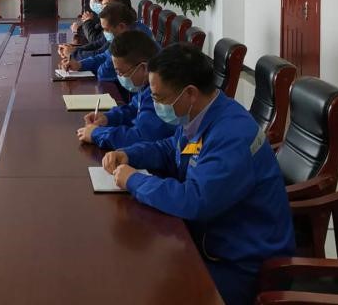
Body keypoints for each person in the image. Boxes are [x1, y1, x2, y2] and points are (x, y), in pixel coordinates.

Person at [101, 44, 295, 305]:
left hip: (243, 266)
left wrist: (134, 180)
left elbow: (195, 199)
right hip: (210, 241)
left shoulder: (231, 134)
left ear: (190, 93)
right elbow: (172, 149)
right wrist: (130, 155)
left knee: (146, 288)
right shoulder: (202, 115)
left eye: (159, 98)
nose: (156, 104)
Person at [75, 30, 173, 149]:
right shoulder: (145, 85)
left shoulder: (161, 92)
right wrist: (107, 118)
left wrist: (97, 134)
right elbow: (133, 109)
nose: (120, 76)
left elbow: (141, 138)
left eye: (121, 72)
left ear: (143, 68)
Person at [59, 3, 153, 82]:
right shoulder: (124, 33)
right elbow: (105, 56)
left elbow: (105, 73)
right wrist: (80, 65)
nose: (104, 33)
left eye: (106, 29)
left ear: (121, 26)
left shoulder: (135, 39)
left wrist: (76, 55)